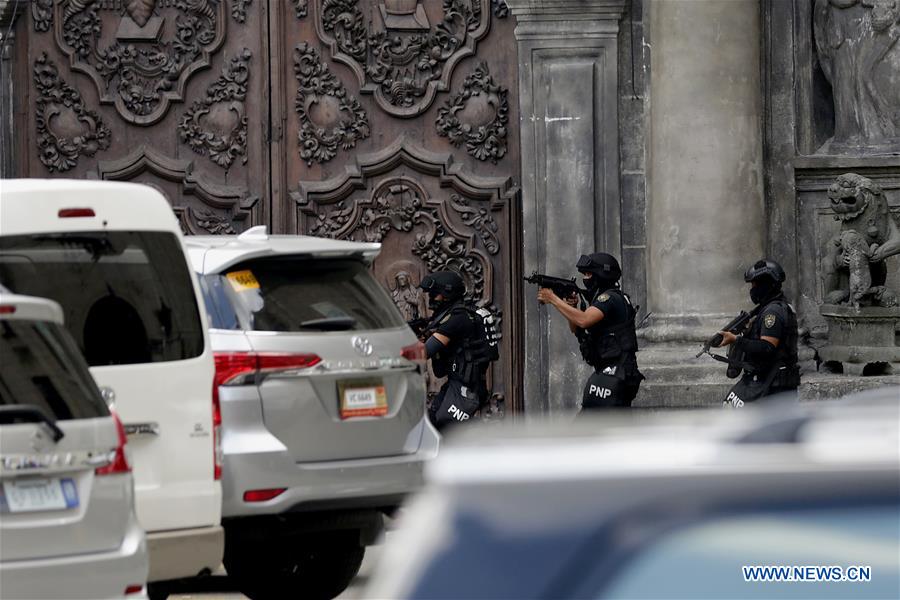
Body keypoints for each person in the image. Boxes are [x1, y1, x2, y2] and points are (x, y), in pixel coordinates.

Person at [537, 253, 644, 410]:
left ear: (601, 274)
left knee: (594, 424)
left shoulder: (609, 298)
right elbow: (576, 328)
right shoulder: (604, 298)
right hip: (610, 371)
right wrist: (572, 307)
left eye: (588, 274)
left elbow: (584, 320)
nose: (586, 278)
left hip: (617, 373)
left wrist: (553, 299)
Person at [717, 259, 800, 407]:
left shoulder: (772, 312)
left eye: (755, 284)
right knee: (730, 407)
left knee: (731, 410)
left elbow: (767, 347)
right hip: (765, 380)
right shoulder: (770, 308)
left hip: (772, 385)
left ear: (767, 284)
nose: (752, 289)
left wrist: (736, 340)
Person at [418, 271, 492, 430]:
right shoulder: (457, 314)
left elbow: (424, 352)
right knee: (433, 422)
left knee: (443, 429)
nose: (432, 298)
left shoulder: (458, 318)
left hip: (465, 391)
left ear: (446, 294)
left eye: (434, 294)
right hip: (457, 386)